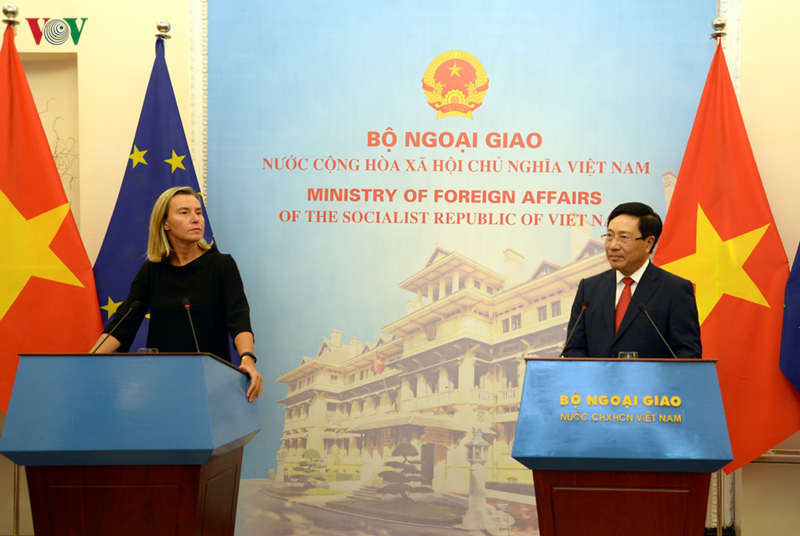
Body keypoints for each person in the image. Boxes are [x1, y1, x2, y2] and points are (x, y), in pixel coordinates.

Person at [91, 186, 263, 401]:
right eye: (184, 212)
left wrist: (247, 358)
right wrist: (88, 362)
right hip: (161, 385)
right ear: (165, 223)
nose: (196, 219)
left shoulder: (221, 265)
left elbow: (238, 318)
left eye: (198, 212)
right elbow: (123, 324)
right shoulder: (152, 271)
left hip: (210, 384)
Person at [562, 202, 702, 358]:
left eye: (624, 238)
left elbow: (687, 354)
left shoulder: (675, 290)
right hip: (597, 375)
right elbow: (573, 350)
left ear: (649, 243)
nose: (613, 246)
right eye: (609, 236)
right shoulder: (588, 288)